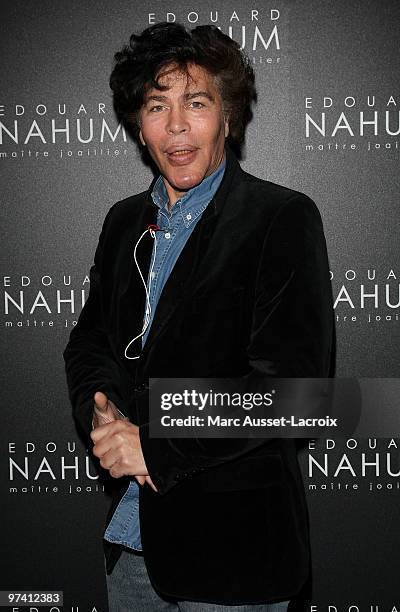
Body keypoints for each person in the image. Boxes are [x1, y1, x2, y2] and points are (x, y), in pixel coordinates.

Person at [63, 21, 334, 612]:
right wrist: (102, 409)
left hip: (236, 562)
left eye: (196, 102)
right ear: (139, 124)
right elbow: (89, 342)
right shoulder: (122, 222)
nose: (177, 126)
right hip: (133, 547)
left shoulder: (280, 219)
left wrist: (156, 446)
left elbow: (296, 394)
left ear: (228, 117)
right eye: (158, 105)